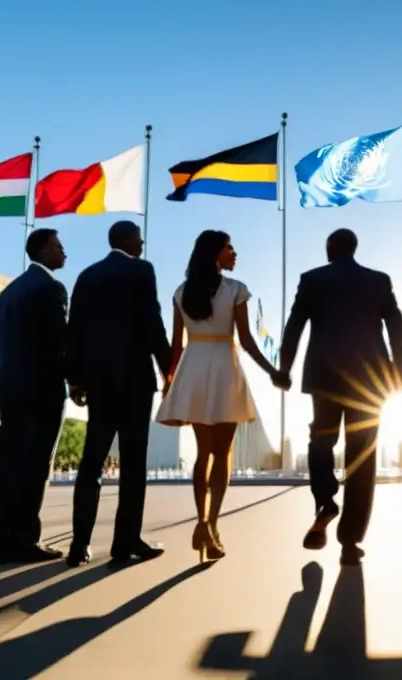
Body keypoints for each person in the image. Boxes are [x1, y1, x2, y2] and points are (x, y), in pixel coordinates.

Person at [156, 231, 287, 562]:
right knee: (223, 452)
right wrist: (272, 371)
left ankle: (201, 521)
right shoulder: (235, 289)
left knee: (203, 453)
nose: (234, 252)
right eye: (229, 247)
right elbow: (245, 340)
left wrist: (169, 380)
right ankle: (211, 525)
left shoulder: (181, 292)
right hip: (224, 366)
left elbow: (176, 344)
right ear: (216, 253)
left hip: (193, 367)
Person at [279, 228, 402, 566]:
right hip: (369, 379)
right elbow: (397, 329)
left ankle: (325, 500)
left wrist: (284, 367)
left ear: (332, 248)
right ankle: (350, 540)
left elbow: (294, 326)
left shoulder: (312, 279)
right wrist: (401, 373)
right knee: (362, 454)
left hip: (324, 376)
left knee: (321, 440)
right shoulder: (379, 281)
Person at [66, 221, 172, 567]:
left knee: (91, 461)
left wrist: (75, 379)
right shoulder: (141, 270)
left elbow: (75, 330)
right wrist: (169, 367)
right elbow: (152, 320)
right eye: (139, 238)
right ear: (127, 239)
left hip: (97, 382)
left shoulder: (87, 275)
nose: (141, 243)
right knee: (132, 465)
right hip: (135, 380)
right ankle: (125, 543)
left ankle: (79, 544)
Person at [0, 229, 69, 565]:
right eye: (60, 247)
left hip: (9, 388)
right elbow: (60, 340)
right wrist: (76, 379)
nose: (64, 253)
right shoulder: (52, 288)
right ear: (45, 249)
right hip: (42, 389)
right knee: (34, 467)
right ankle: (23, 540)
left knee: (5, 466)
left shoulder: (8, 292)